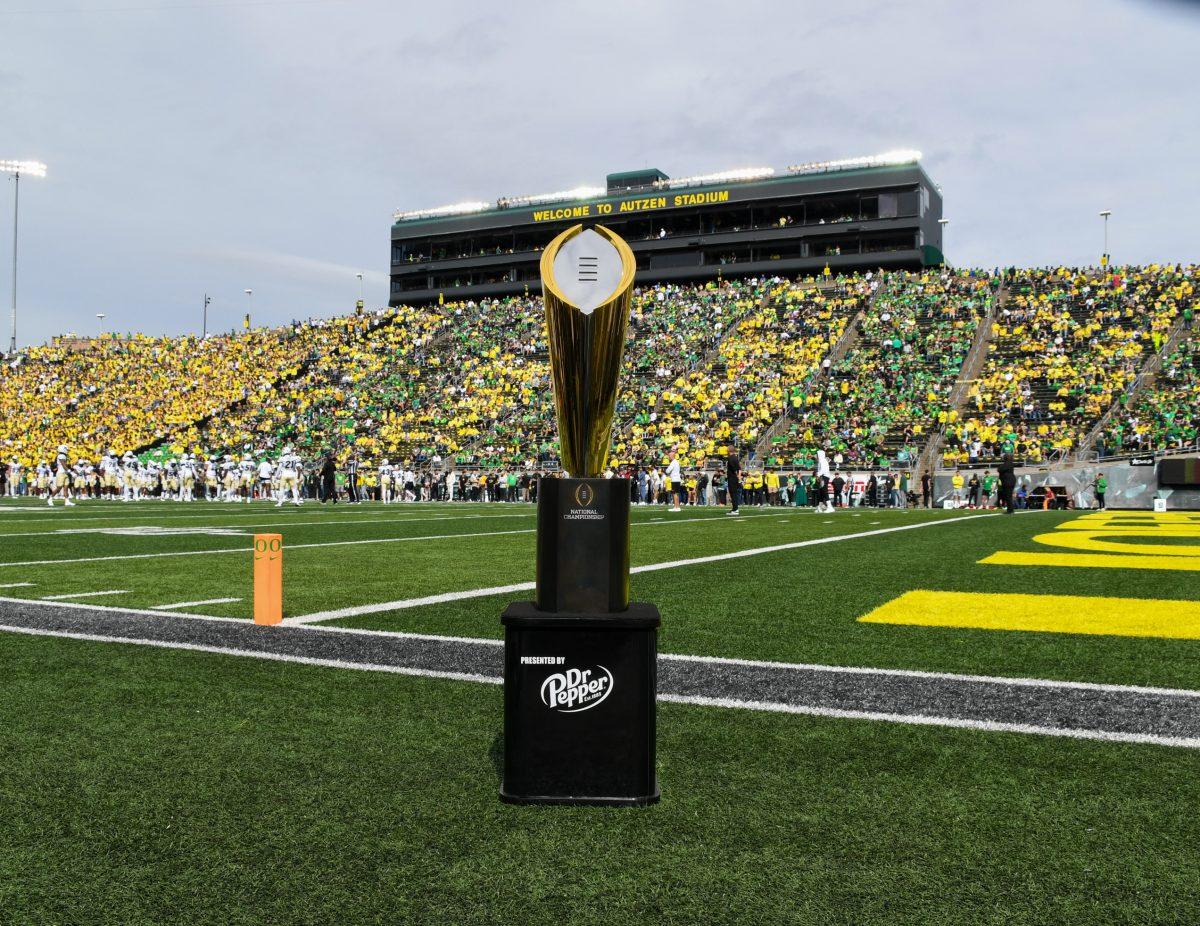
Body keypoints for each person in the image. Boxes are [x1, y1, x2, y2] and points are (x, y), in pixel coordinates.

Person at [725, 449, 741, 516]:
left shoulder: (731, 458)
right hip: (734, 478)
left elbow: (734, 469)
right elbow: (739, 469)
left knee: (733, 494)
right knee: (733, 493)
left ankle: (735, 509)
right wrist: (739, 477)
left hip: (732, 478)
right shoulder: (735, 457)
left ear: (729, 451)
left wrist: (737, 476)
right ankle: (734, 508)